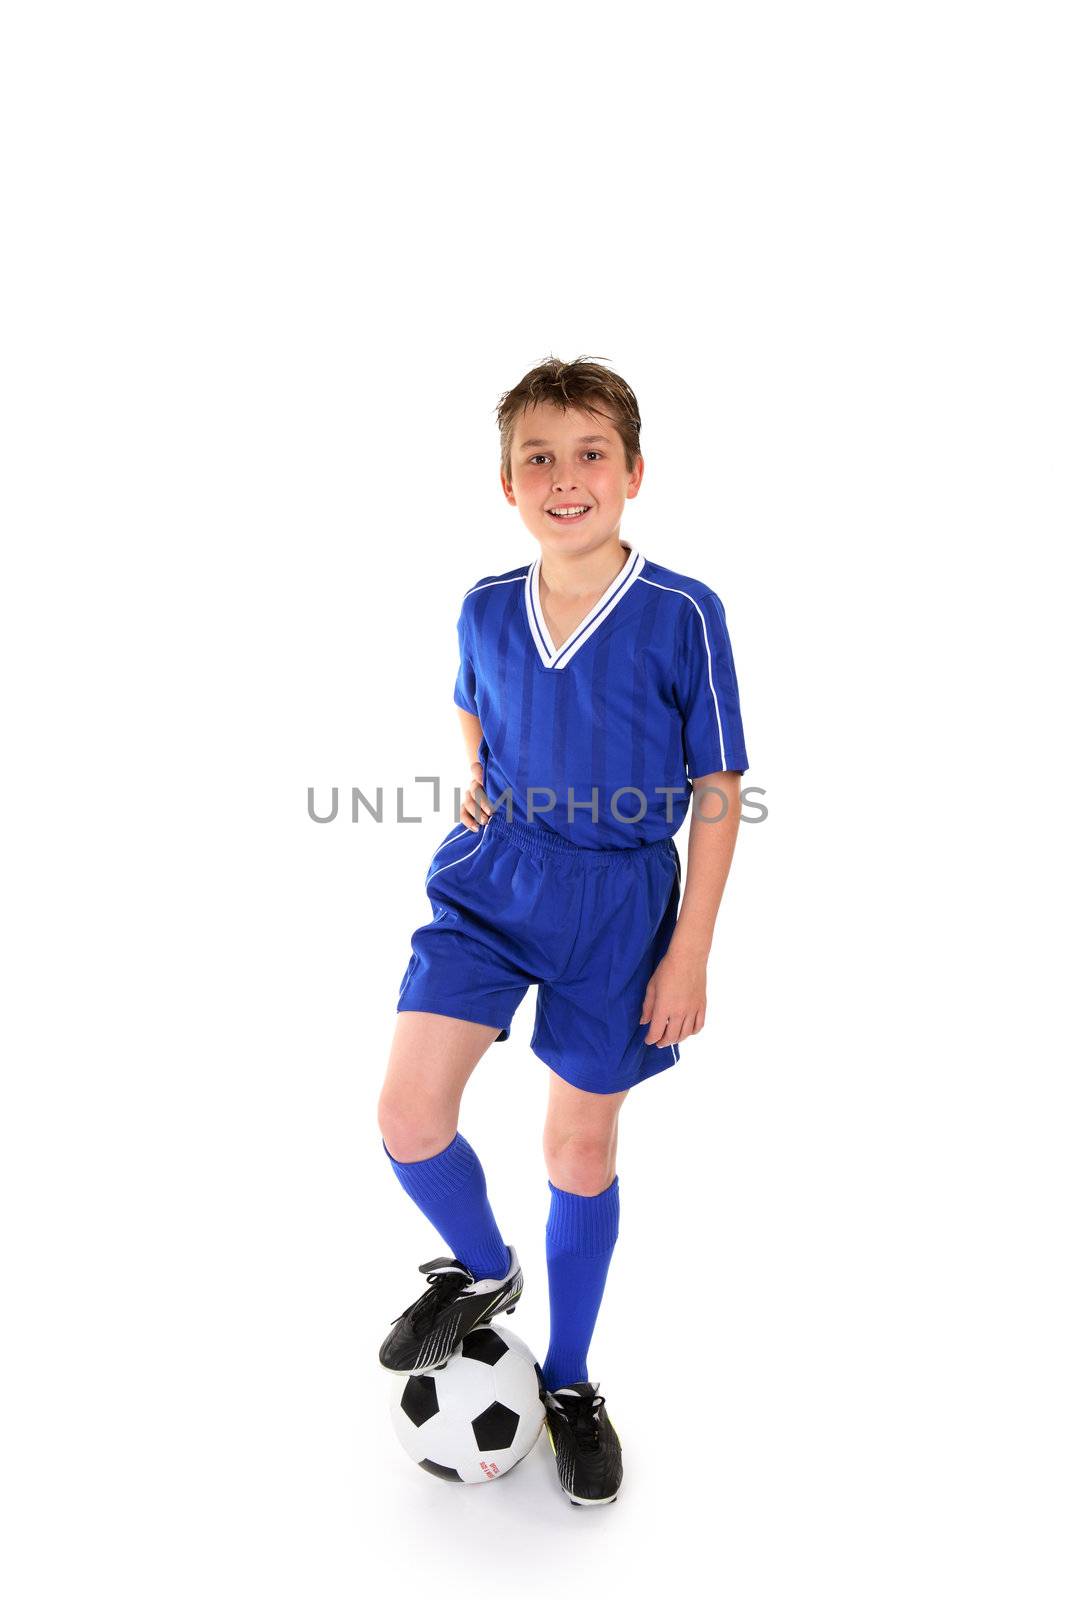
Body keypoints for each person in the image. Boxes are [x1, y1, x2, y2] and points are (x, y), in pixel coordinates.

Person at [376, 355, 750, 1507]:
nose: (563, 475)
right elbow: (467, 695)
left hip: (618, 903)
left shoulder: (682, 611)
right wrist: (476, 773)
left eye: (589, 452)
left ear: (632, 471)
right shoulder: (485, 605)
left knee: (574, 1153)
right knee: (406, 1115)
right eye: (536, 456)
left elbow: (719, 784)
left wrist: (687, 949)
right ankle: (483, 1271)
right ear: (507, 482)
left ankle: (572, 1383)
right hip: (494, 881)